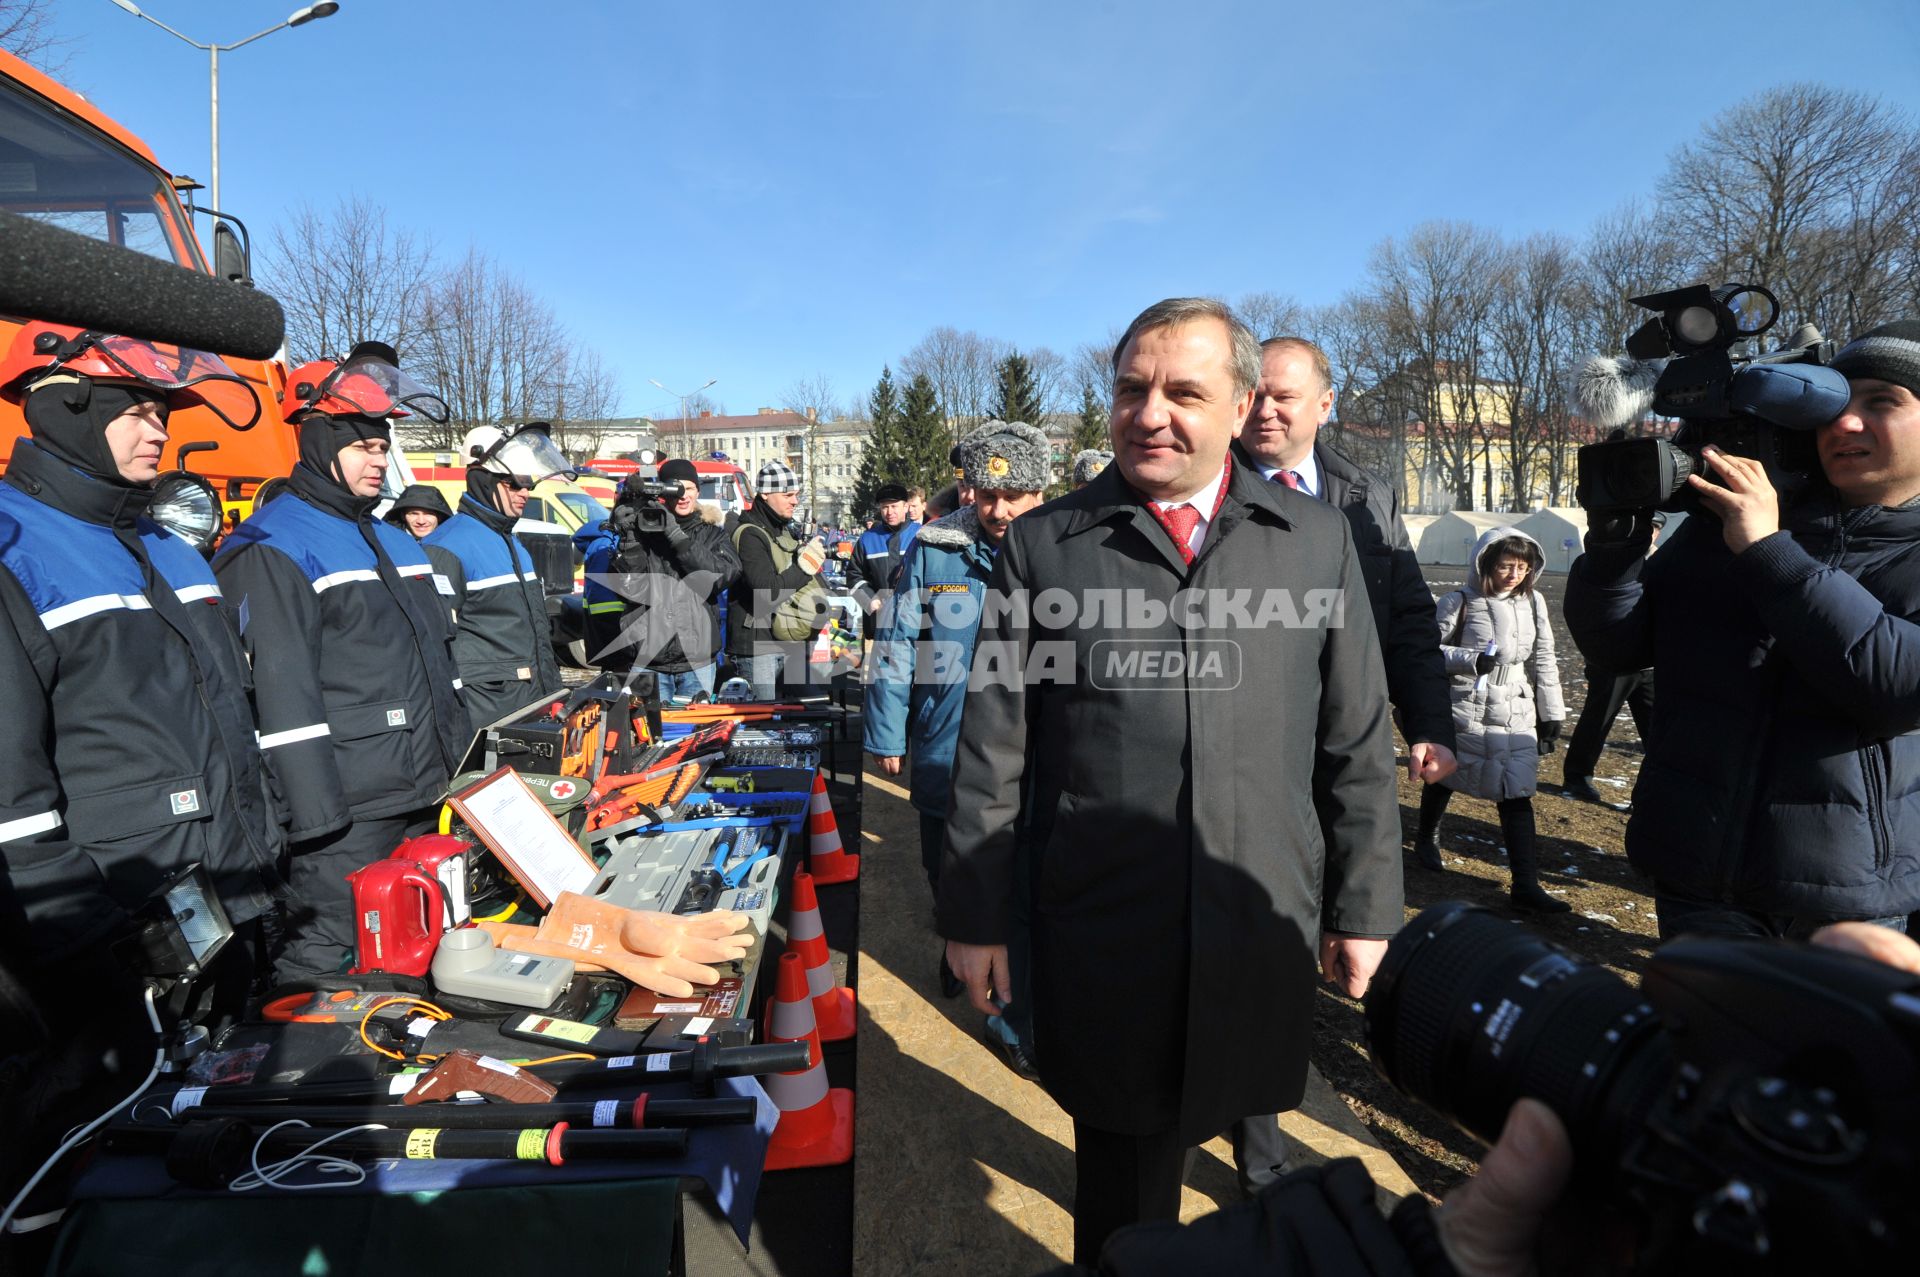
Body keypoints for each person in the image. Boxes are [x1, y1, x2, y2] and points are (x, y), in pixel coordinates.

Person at [938, 297, 1402, 1264]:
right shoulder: (1044, 546)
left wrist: (1365, 905)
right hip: (1108, 925)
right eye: (1131, 389)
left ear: (1240, 405)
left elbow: (1354, 735)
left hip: (1258, 908)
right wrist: (975, 917)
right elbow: (993, 752)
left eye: (1184, 391)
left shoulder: (1314, 541)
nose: (1151, 412)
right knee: (1125, 1187)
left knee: (1259, 1157)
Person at [0, 325, 285, 1231]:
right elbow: (9, 792)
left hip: (217, 915)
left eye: (162, 406)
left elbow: (227, 727)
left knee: (197, 1174)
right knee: (70, 1181)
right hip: (109, 951)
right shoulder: (16, 552)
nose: (157, 425)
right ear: (59, 403)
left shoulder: (170, 546)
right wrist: (90, 953)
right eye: (133, 405)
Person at [1566, 318, 1920, 940]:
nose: (1844, 423)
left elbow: (1894, 684)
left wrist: (1769, 550)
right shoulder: (1730, 522)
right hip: (1696, 872)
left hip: (1842, 898)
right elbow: (1617, 646)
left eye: (1882, 402)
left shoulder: (1757, 531)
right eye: (1836, 402)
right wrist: (1614, 550)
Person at [212, 344, 471, 981]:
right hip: (345, 818)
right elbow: (280, 696)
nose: (378, 460)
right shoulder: (274, 545)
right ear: (320, 440)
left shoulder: (392, 539)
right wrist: (318, 826)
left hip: (427, 788)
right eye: (362, 446)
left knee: (427, 951)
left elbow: (440, 665)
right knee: (334, 962)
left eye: (382, 447)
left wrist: (466, 768)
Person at [865, 419, 1051, 1077]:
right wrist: (887, 730)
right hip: (946, 742)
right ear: (968, 490)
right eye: (986, 494)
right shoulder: (935, 550)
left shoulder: (1060, 548)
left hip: (1030, 752)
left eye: (1017, 495)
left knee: (1023, 888)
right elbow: (896, 642)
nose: (1000, 510)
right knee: (944, 862)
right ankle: (956, 943)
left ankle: (1011, 1014)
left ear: (1040, 491)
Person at [1238, 337, 1457, 787]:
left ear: (1324, 405)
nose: (1264, 410)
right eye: (1255, 395)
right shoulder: (1204, 496)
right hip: (1246, 741)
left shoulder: (1371, 496)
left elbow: (1409, 616)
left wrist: (1429, 723)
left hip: (1352, 736)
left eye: (1283, 397)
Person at [1414, 528, 1569, 914]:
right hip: (1466, 703)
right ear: (1485, 564)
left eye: (1522, 567)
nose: (1514, 574)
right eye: (1506, 566)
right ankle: (1426, 837)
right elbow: (1427, 651)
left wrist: (1551, 713)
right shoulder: (1459, 602)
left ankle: (1525, 883)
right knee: (1444, 774)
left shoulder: (1533, 603)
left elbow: (1545, 658)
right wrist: (1470, 660)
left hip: (1515, 707)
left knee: (1517, 791)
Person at [423, 423, 568, 727]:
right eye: (513, 483)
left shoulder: (513, 543)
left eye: (529, 483)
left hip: (533, 705)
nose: (525, 492)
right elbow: (433, 646)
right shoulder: (446, 547)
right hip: (486, 714)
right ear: (482, 479)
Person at [602, 458, 742, 699]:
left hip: (696, 661)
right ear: (663, 492)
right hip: (648, 659)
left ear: (698, 490)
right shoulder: (644, 532)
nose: (683, 496)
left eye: (688, 488)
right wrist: (629, 541)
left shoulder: (713, 534)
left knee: (699, 735)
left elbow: (720, 577)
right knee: (647, 734)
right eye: (675, 488)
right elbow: (627, 588)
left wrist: (677, 538)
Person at [725, 460, 829, 699]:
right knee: (764, 722)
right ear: (764, 495)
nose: (794, 501)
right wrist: (804, 568)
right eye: (787, 495)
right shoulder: (749, 533)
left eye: (796, 495)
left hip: (787, 638)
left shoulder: (782, 530)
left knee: (809, 708)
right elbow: (767, 591)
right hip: (756, 645)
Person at [848, 480, 920, 614]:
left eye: (894, 506)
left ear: (905, 507)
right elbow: (853, 575)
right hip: (878, 620)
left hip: (915, 618)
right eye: (885, 507)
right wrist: (869, 599)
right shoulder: (867, 539)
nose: (889, 512)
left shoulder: (920, 535)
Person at [383, 482, 452, 539]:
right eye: (414, 514)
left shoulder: (452, 544)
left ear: (440, 517)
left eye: (429, 514)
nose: (421, 521)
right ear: (403, 516)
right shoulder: (386, 542)